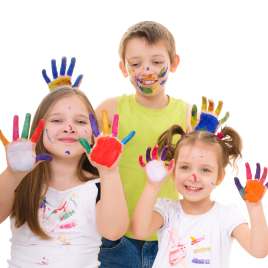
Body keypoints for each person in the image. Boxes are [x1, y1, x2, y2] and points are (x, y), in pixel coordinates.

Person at [0, 59, 133, 268]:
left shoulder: (100, 186)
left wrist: (109, 173)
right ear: (39, 128)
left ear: (94, 134)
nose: (69, 127)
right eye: (57, 120)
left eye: (80, 122)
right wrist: (12, 174)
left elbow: (114, 231)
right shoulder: (21, 182)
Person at [96, 21, 194, 268]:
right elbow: (74, 149)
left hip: (169, 236)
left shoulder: (188, 114)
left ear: (174, 63)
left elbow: (205, 168)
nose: (147, 71)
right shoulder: (110, 109)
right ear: (123, 68)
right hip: (116, 239)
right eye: (136, 64)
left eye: (157, 62)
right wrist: (63, 95)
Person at [130, 123, 268, 267]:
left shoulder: (227, 215)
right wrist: (152, 186)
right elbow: (139, 232)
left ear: (219, 177)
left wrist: (255, 206)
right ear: (174, 171)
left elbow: (259, 251)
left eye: (205, 170)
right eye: (185, 167)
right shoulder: (166, 209)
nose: (194, 177)